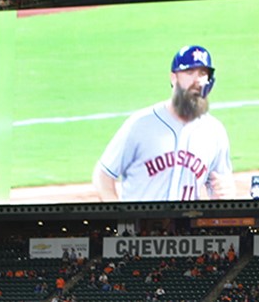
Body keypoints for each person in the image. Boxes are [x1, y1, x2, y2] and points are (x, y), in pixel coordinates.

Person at [93, 44, 235, 202]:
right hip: (142, 224)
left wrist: (224, 194)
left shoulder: (214, 132)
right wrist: (120, 217)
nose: (197, 80)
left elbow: (222, 185)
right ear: (173, 78)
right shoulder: (141, 124)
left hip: (186, 225)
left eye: (202, 73)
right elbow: (103, 176)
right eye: (189, 72)